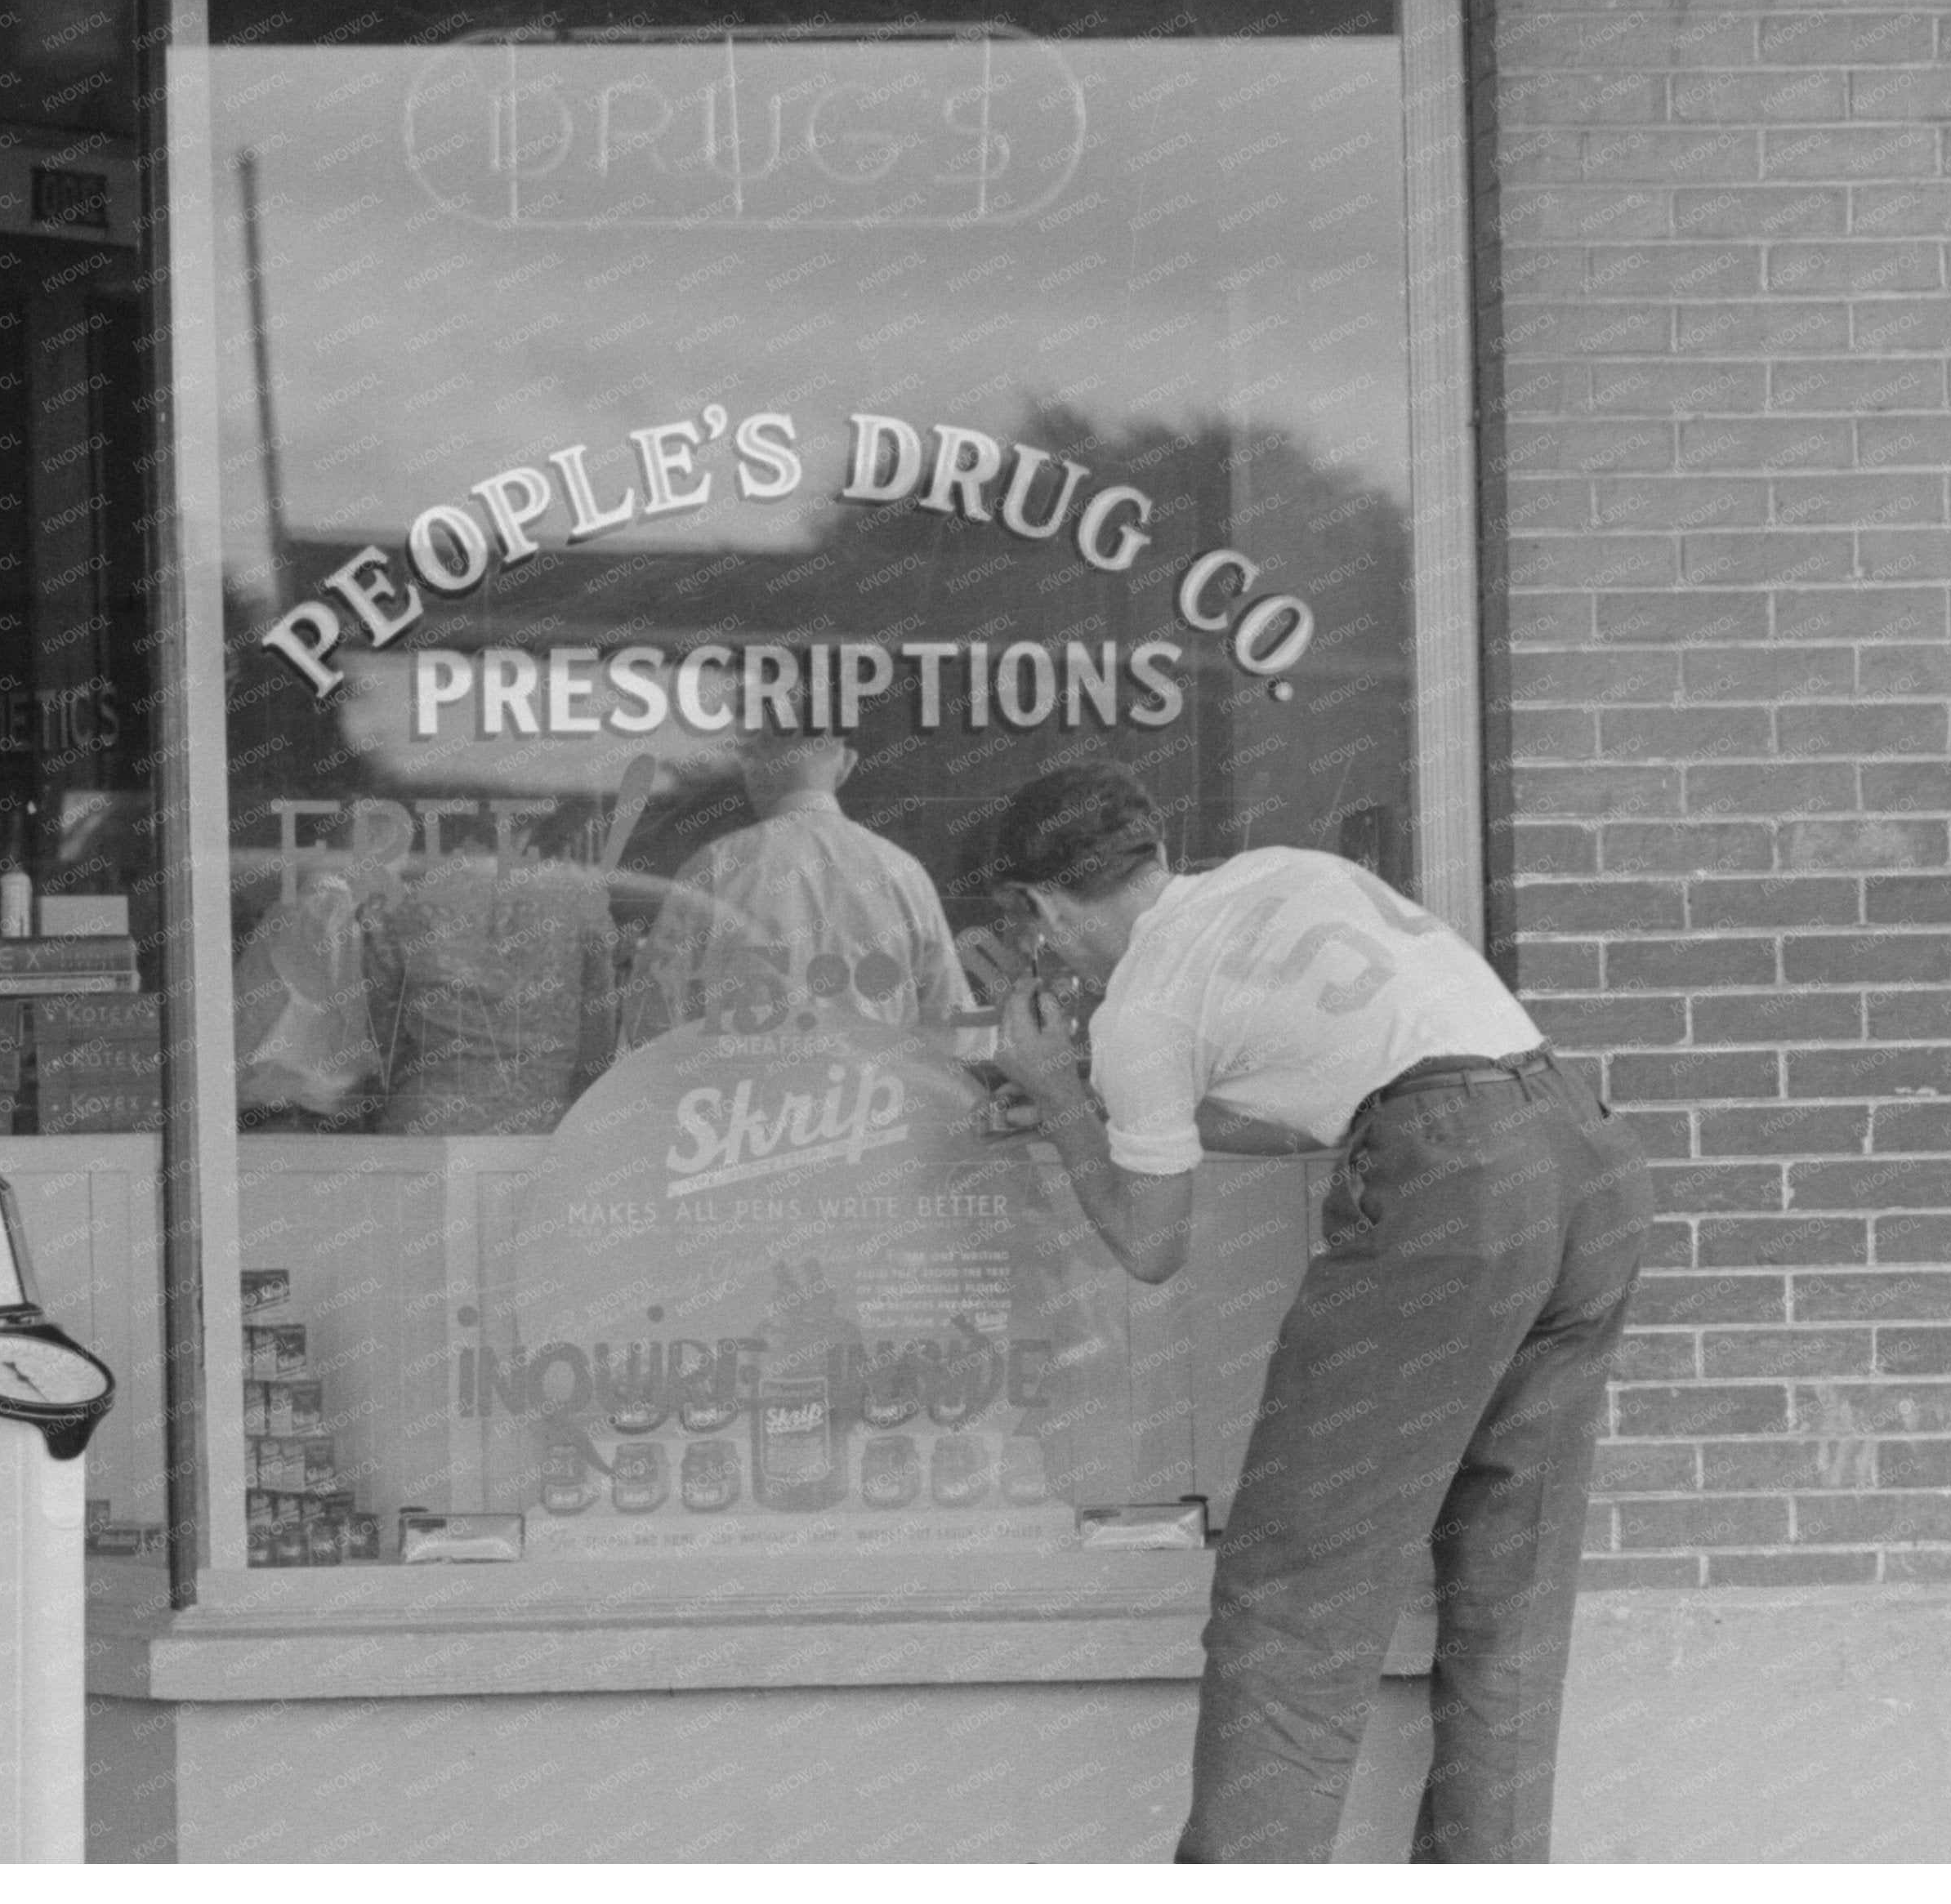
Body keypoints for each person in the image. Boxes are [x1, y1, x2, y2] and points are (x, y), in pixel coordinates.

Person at [980, 760, 1653, 1863]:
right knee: (1508, 1599)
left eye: (1043, 928)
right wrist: (1101, 1107)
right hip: (1587, 1158)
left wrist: (1060, 1096)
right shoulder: (1284, 874)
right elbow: (1338, 1100)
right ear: (1156, 848)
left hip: (1453, 1187)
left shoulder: (1145, 1002)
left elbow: (1153, 1246)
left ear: (1046, 908)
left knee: (1295, 1599)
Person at [618, 721, 978, 1051]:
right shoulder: (903, 873)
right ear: (846, 764)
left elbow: (650, 1020)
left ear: (754, 767)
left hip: (743, 1110)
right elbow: (954, 1029)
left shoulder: (714, 867)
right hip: (871, 1109)